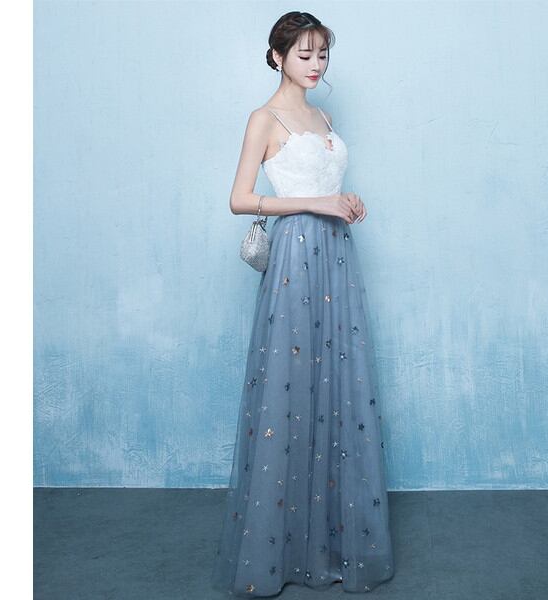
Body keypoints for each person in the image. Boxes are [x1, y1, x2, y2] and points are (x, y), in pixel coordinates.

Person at [211, 11, 394, 597]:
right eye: (304, 54)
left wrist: (345, 200)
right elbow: (241, 199)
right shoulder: (263, 119)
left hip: (337, 256)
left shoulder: (323, 117)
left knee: (337, 386)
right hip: (295, 259)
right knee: (289, 388)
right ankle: (281, 551)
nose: (316, 65)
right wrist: (316, 203)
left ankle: (335, 541)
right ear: (277, 57)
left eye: (322, 55)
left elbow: (324, 185)